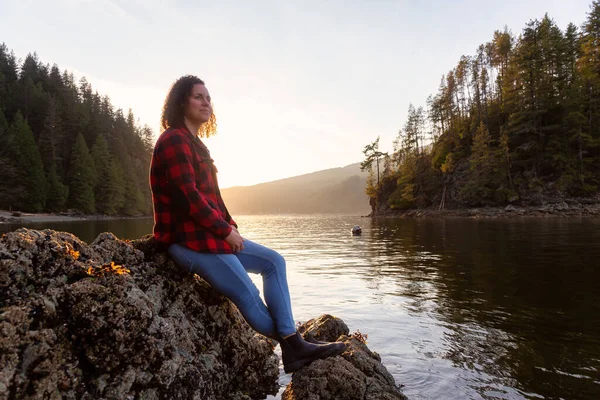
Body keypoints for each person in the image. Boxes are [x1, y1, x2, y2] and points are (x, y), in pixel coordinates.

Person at [150, 75, 346, 373]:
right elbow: (187, 197)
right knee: (249, 296)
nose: (206, 102)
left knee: (273, 262)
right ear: (181, 102)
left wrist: (230, 225)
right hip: (187, 242)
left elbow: (212, 197)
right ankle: (294, 345)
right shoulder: (173, 139)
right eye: (198, 97)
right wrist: (225, 231)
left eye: (208, 98)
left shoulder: (196, 144)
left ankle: (293, 345)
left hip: (209, 235)